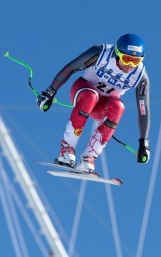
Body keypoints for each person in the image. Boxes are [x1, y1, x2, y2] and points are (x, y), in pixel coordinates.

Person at [37, 34, 150, 176]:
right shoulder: (101, 53)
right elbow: (70, 68)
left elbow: (143, 110)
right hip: (83, 92)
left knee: (118, 107)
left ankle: (88, 157)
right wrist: (50, 92)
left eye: (136, 61)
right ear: (117, 53)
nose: (130, 66)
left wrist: (143, 143)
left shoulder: (140, 76)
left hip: (102, 107)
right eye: (127, 59)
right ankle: (67, 148)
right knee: (91, 96)